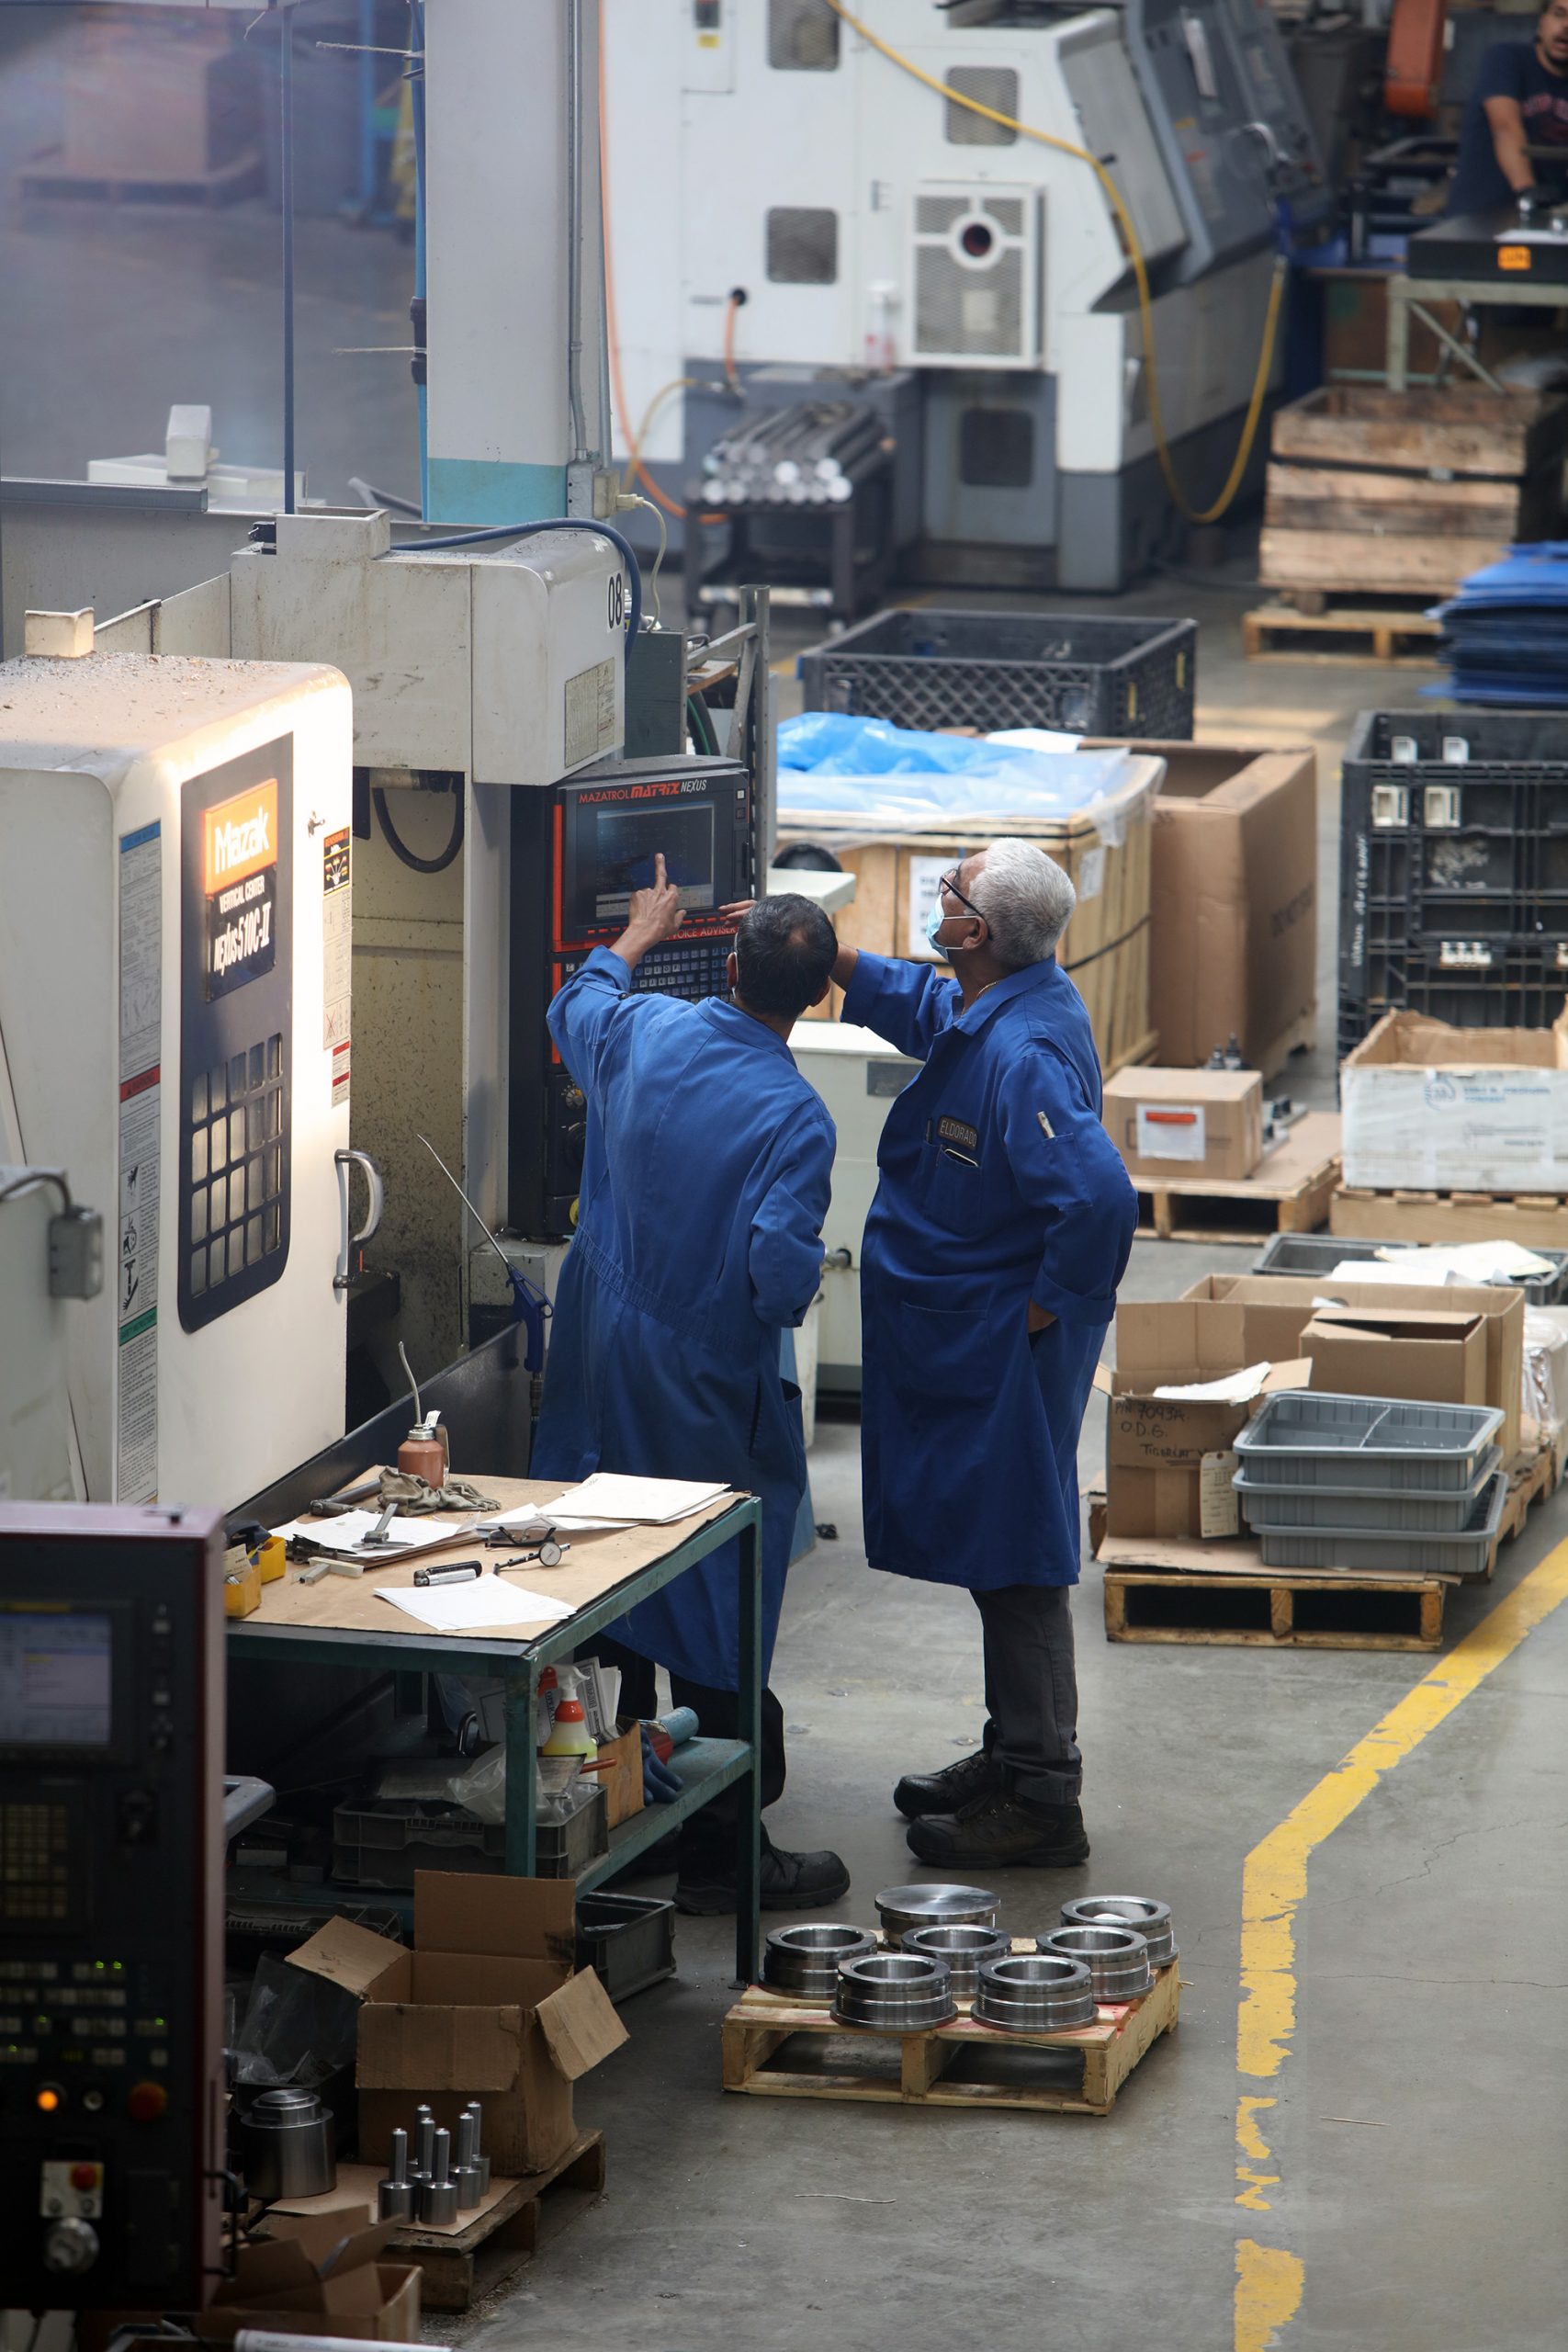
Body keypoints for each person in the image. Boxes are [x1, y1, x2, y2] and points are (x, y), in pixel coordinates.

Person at [530, 858, 850, 1915]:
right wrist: (807, 1282)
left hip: (596, 1349)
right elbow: (773, 1272)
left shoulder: (646, 1033)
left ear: (721, 958)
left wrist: (635, 930)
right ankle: (724, 1846)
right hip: (704, 1380)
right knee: (716, 1588)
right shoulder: (795, 1118)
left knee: (609, 1570)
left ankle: (624, 1803)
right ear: (819, 1000)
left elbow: (575, 1002)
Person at [836, 840, 1137, 1870]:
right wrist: (840, 965)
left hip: (1010, 1348)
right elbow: (937, 1021)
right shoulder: (1005, 1006)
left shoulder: (1025, 1055)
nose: (939, 899)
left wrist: (1051, 1307)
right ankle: (1012, 1749)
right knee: (998, 1548)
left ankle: (1045, 1794)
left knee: (1018, 1557)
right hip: (977, 1336)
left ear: (974, 933)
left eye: (950, 892)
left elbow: (1097, 1198)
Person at [1447, 0, 1568, 216]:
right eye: (1559, 14)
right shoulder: (1506, 59)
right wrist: (1526, 189)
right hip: (1479, 223)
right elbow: (1505, 127)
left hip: (1548, 225)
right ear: (1542, 23)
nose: (1566, 26)